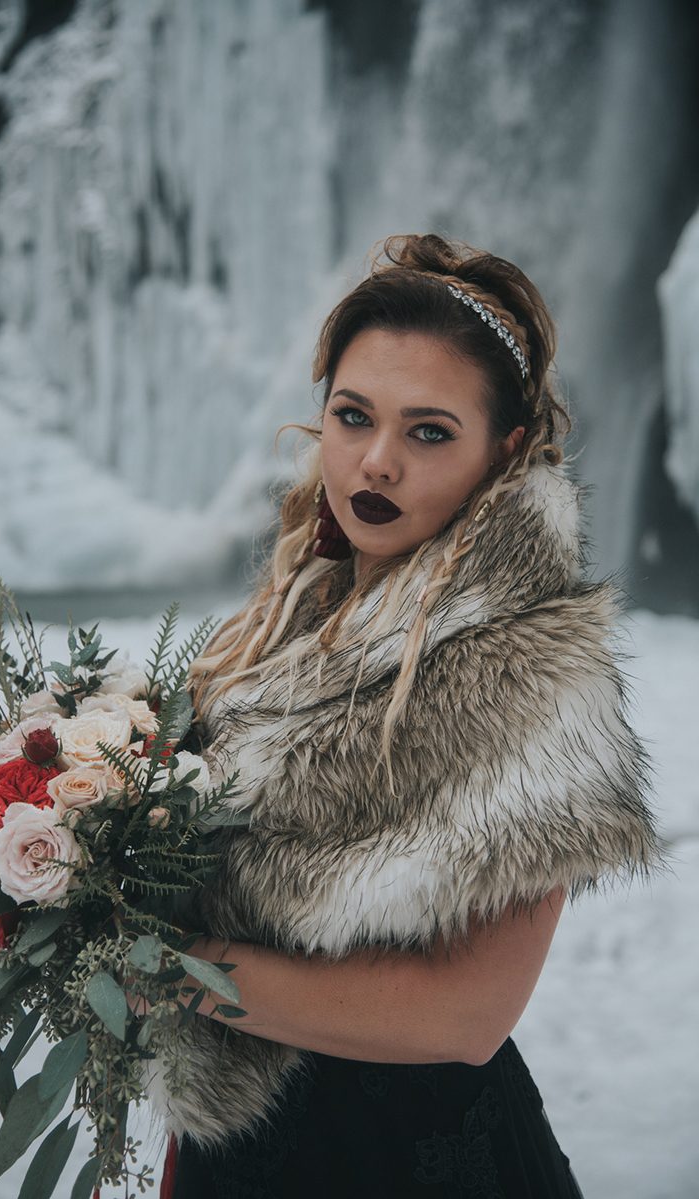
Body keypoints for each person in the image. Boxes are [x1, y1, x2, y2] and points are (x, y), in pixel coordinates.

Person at [143, 233, 667, 1198]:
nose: (376, 462)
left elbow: (467, 1017)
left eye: (429, 431)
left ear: (505, 452)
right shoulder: (284, 623)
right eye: (353, 416)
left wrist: (175, 971)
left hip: (413, 1159)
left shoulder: (534, 673)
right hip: (237, 1146)